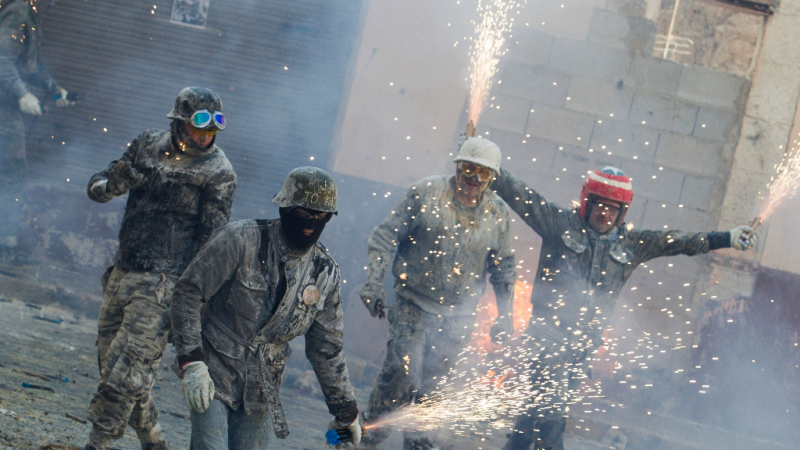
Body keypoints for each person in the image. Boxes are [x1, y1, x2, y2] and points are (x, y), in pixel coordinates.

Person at [493, 166, 757, 450]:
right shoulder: (559, 225)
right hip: (547, 338)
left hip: (582, 347)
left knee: (538, 406)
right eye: (600, 206)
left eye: (613, 209)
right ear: (586, 203)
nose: (605, 214)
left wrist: (727, 238)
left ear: (623, 213)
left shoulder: (631, 244)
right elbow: (523, 197)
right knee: (552, 414)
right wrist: (486, 165)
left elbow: (677, 241)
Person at [84, 87, 236, 450]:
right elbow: (96, 187)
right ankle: (154, 442)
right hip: (123, 273)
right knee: (112, 368)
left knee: (127, 374)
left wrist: (192, 299)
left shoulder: (218, 171)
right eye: (198, 127)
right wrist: (113, 185)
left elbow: (210, 244)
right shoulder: (146, 144)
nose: (204, 136)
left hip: (164, 285)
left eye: (211, 131)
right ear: (180, 122)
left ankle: (96, 443)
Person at [169, 167, 361, 450]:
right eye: (303, 213)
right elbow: (188, 293)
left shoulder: (325, 273)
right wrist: (192, 362)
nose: (311, 224)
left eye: (321, 216)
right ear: (284, 209)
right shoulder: (240, 239)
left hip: (261, 387)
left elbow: (327, 349)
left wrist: (346, 414)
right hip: (214, 369)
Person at [358, 138, 517, 449]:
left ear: (491, 178)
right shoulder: (426, 193)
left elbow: (504, 269)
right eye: (468, 168)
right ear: (457, 166)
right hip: (413, 305)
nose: (473, 178)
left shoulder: (498, 213)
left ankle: (419, 444)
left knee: (433, 391)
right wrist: (373, 282)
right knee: (402, 375)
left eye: (482, 173)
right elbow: (385, 236)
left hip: (458, 318)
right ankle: (367, 436)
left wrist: (505, 316)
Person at [0, 0, 74, 252]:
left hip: (6, 104)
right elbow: (2, 59)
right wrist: (22, 94)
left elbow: (34, 66)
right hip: (3, 104)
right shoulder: (19, 13)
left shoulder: (30, 16)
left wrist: (56, 93)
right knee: (12, 169)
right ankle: (5, 238)